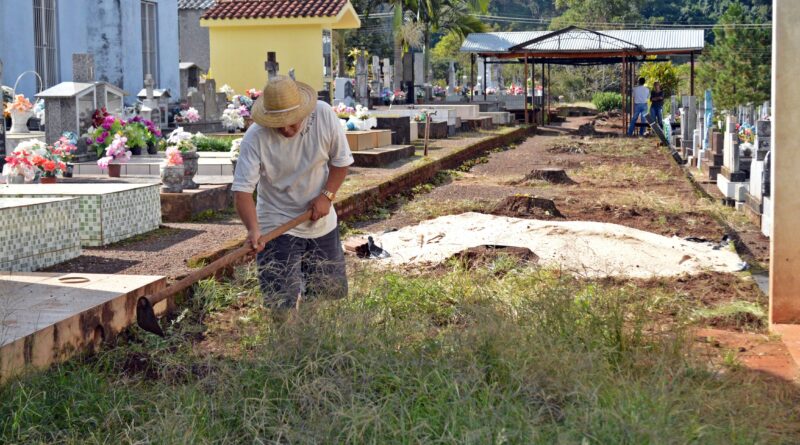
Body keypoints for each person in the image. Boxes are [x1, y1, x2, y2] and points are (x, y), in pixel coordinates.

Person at [232, 75, 354, 310]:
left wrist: (327, 195)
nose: (286, 129)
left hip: (322, 222)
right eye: (278, 123)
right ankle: (285, 344)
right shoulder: (255, 137)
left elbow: (341, 161)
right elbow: (242, 192)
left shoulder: (323, 115)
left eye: (292, 122)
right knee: (281, 303)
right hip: (276, 223)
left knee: (325, 298)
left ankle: (314, 344)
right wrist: (253, 229)